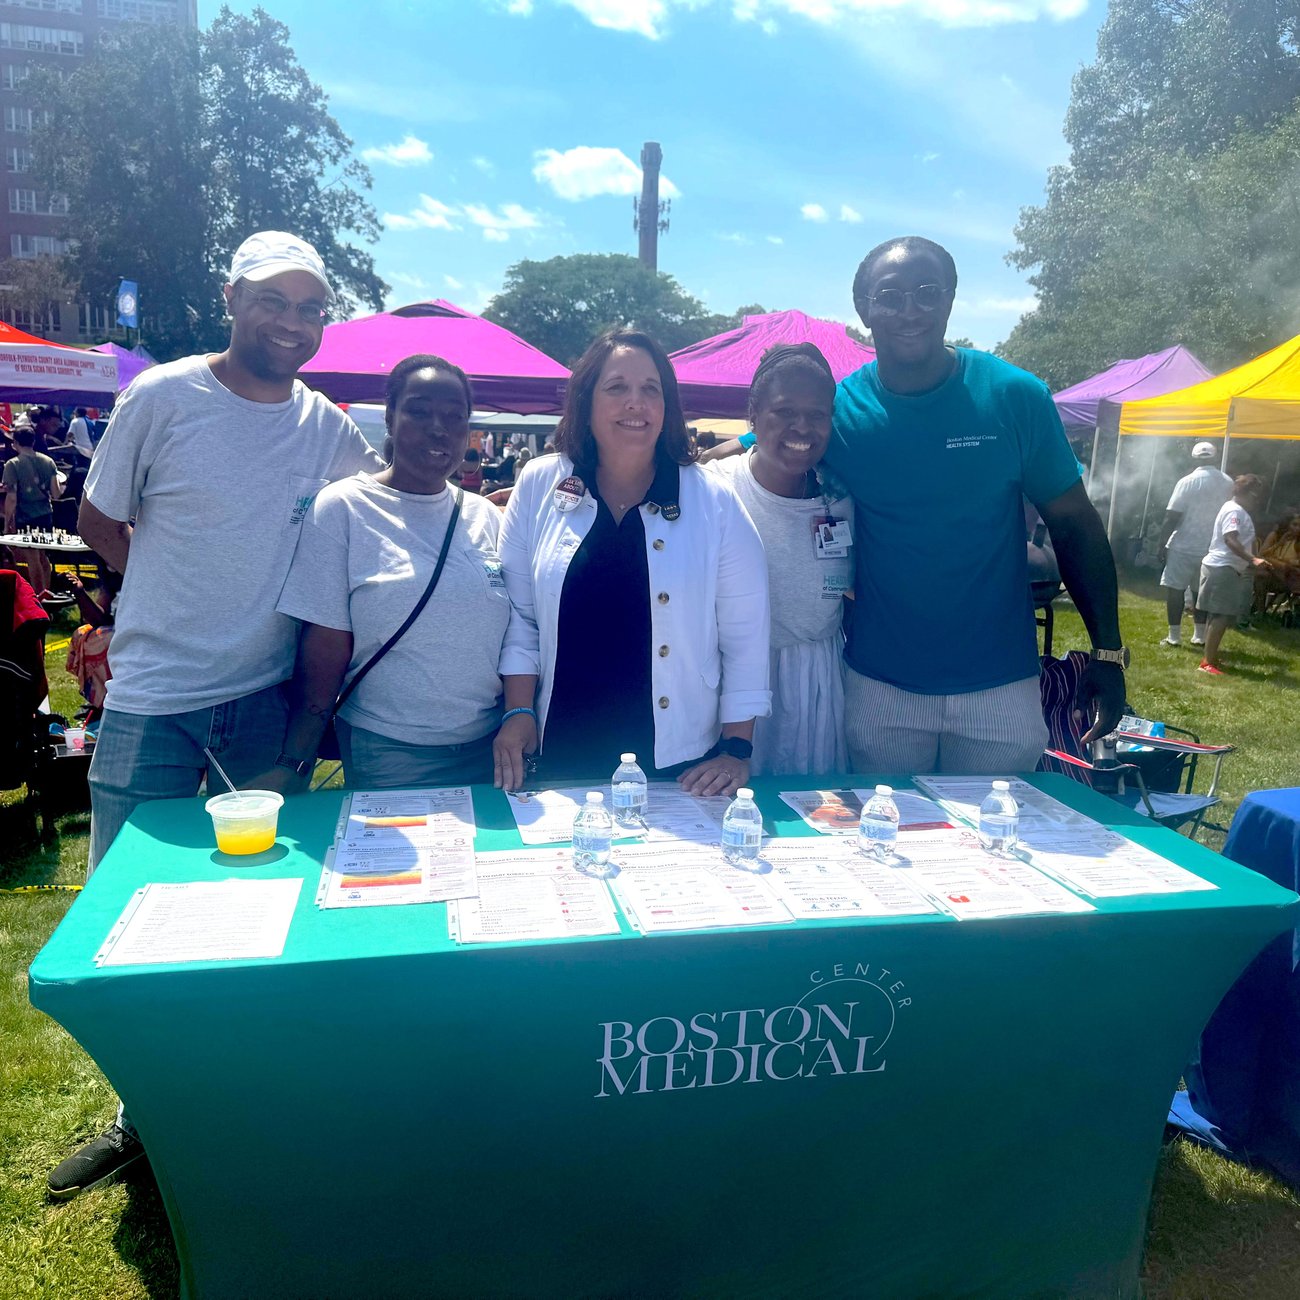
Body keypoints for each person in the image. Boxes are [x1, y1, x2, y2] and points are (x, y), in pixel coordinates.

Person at [50, 231, 382, 1203]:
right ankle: (138, 1117)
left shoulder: (326, 423)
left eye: (311, 307)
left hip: (260, 703)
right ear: (231, 296)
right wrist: (156, 595)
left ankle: (221, 1102)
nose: (292, 321)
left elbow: (392, 501)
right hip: (153, 697)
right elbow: (100, 521)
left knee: (248, 910)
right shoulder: (162, 394)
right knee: (129, 913)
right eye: (275, 300)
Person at [826, 235, 1126, 774]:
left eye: (926, 291)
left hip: (999, 687)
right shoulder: (840, 411)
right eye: (889, 295)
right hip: (878, 685)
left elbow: (1074, 526)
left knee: (996, 854)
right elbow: (768, 446)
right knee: (881, 850)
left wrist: (1107, 653)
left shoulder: (1014, 396)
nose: (910, 309)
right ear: (863, 309)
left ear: (950, 299)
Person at [494, 327, 770, 795]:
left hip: (681, 763)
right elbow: (520, 618)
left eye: (650, 389)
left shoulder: (714, 501)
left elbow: (745, 637)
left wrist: (736, 749)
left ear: (668, 406)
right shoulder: (541, 483)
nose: (635, 403)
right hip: (561, 746)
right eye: (617, 387)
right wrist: (519, 711)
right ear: (587, 400)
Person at [275, 355, 511, 788]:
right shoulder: (343, 508)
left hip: (490, 748)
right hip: (390, 750)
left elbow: (517, 632)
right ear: (390, 418)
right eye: (419, 411)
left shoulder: (485, 517)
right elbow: (324, 646)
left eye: (455, 417)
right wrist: (296, 760)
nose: (438, 428)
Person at [705, 343, 850, 775]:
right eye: (784, 412)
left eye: (816, 414)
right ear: (753, 415)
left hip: (818, 681)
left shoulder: (841, 497)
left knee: (814, 813)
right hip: (733, 682)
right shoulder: (715, 490)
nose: (801, 427)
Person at [1156, 441, 1233, 647]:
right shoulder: (1228, 482)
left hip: (1182, 545)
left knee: (1175, 589)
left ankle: (1174, 636)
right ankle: (1199, 635)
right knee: (1201, 592)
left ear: (1194, 458)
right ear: (1215, 458)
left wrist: (1161, 543)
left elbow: (1171, 516)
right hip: (1211, 547)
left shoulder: (1186, 481)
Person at [1196, 474, 1270, 675]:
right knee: (1221, 616)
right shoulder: (1234, 511)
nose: (1257, 501)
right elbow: (1230, 539)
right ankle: (1207, 663)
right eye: (1256, 496)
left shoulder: (1235, 510)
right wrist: (1252, 559)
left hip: (1224, 567)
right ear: (1249, 493)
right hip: (1224, 567)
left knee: (1219, 615)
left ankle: (1209, 657)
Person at [2, 424, 62, 596]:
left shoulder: (12, 465)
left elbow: (12, 498)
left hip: (26, 515)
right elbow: (56, 493)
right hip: (45, 513)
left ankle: (39, 599)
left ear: (15, 443)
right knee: (43, 557)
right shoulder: (48, 461)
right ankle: (48, 594)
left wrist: (7, 524)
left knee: (32, 559)